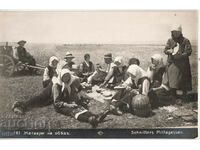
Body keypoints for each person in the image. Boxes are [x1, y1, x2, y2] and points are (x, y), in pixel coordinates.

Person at [164, 25, 192, 100]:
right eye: (174, 32)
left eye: (177, 32)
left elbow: (189, 51)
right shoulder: (170, 40)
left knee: (183, 79)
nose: (175, 34)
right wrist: (168, 51)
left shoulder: (185, 40)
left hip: (183, 64)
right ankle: (173, 95)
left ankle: (184, 94)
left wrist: (181, 55)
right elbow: (165, 50)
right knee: (173, 79)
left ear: (180, 32)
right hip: (172, 62)